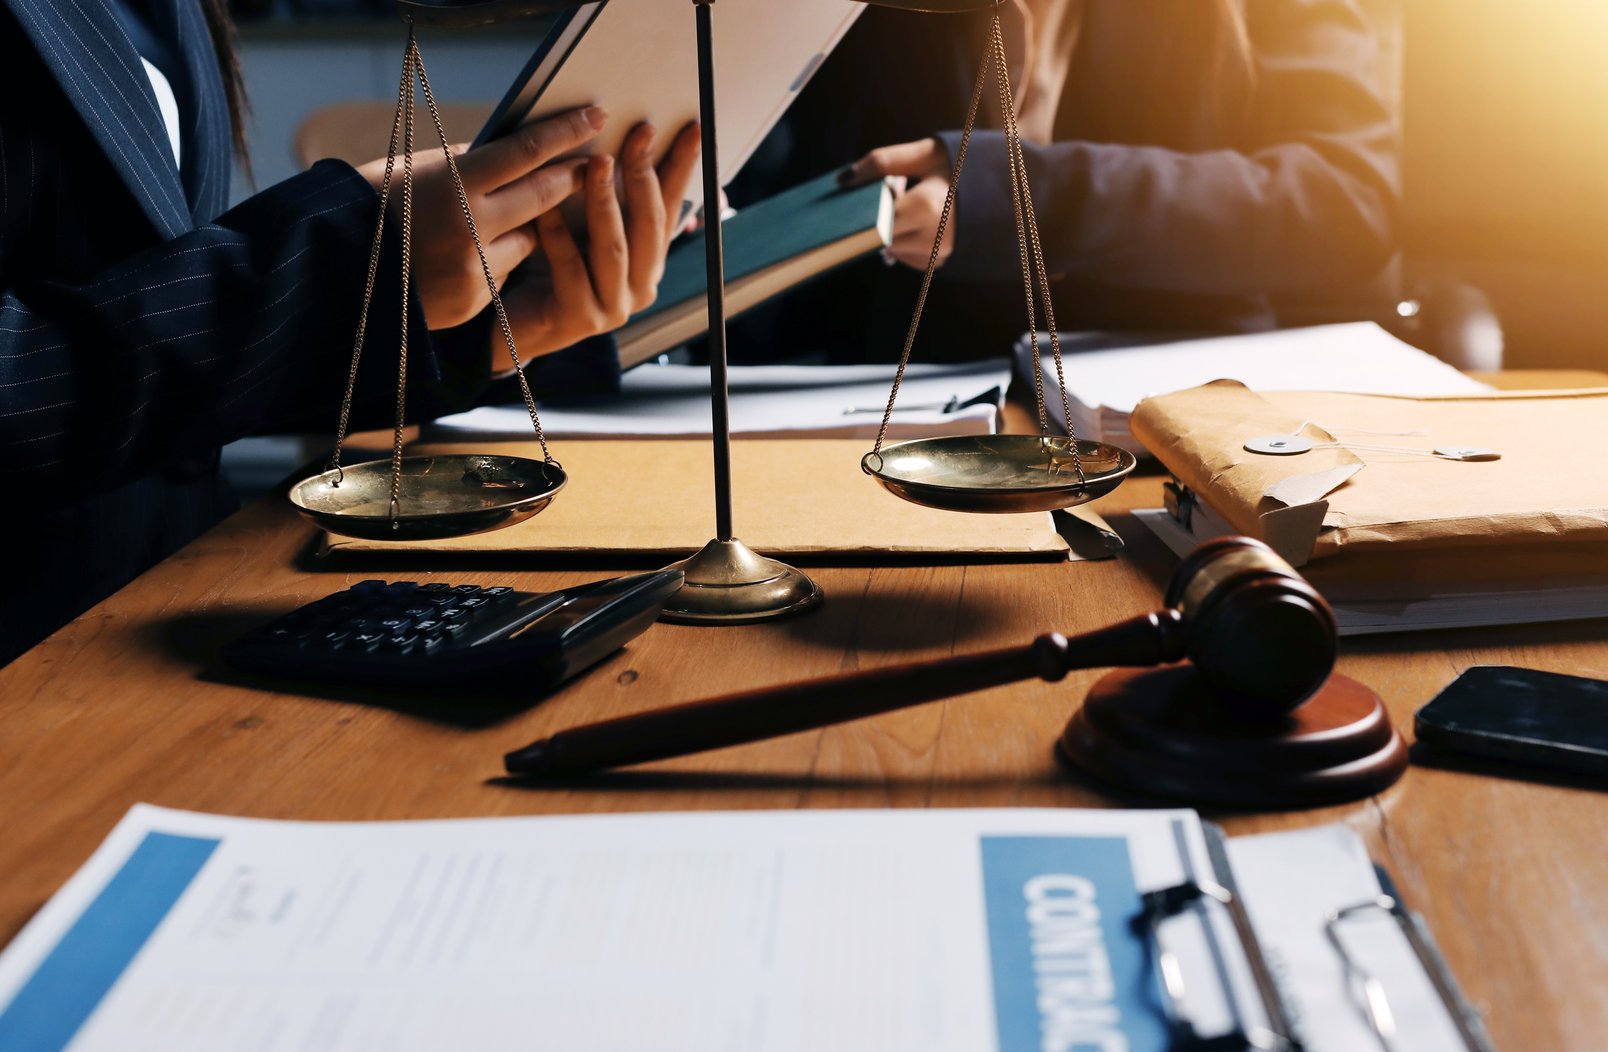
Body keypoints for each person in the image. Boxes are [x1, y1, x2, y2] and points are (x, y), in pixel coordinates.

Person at [0, 0, 701, 665]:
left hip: (169, 619)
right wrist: (345, 261)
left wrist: (475, 332)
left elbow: (138, 301)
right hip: (36, 655)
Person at [729, 0, 1399, 365]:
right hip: (922, 411)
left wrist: (1013, 199)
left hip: (1180, 400)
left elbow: (1345, 203)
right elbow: (778, 184)